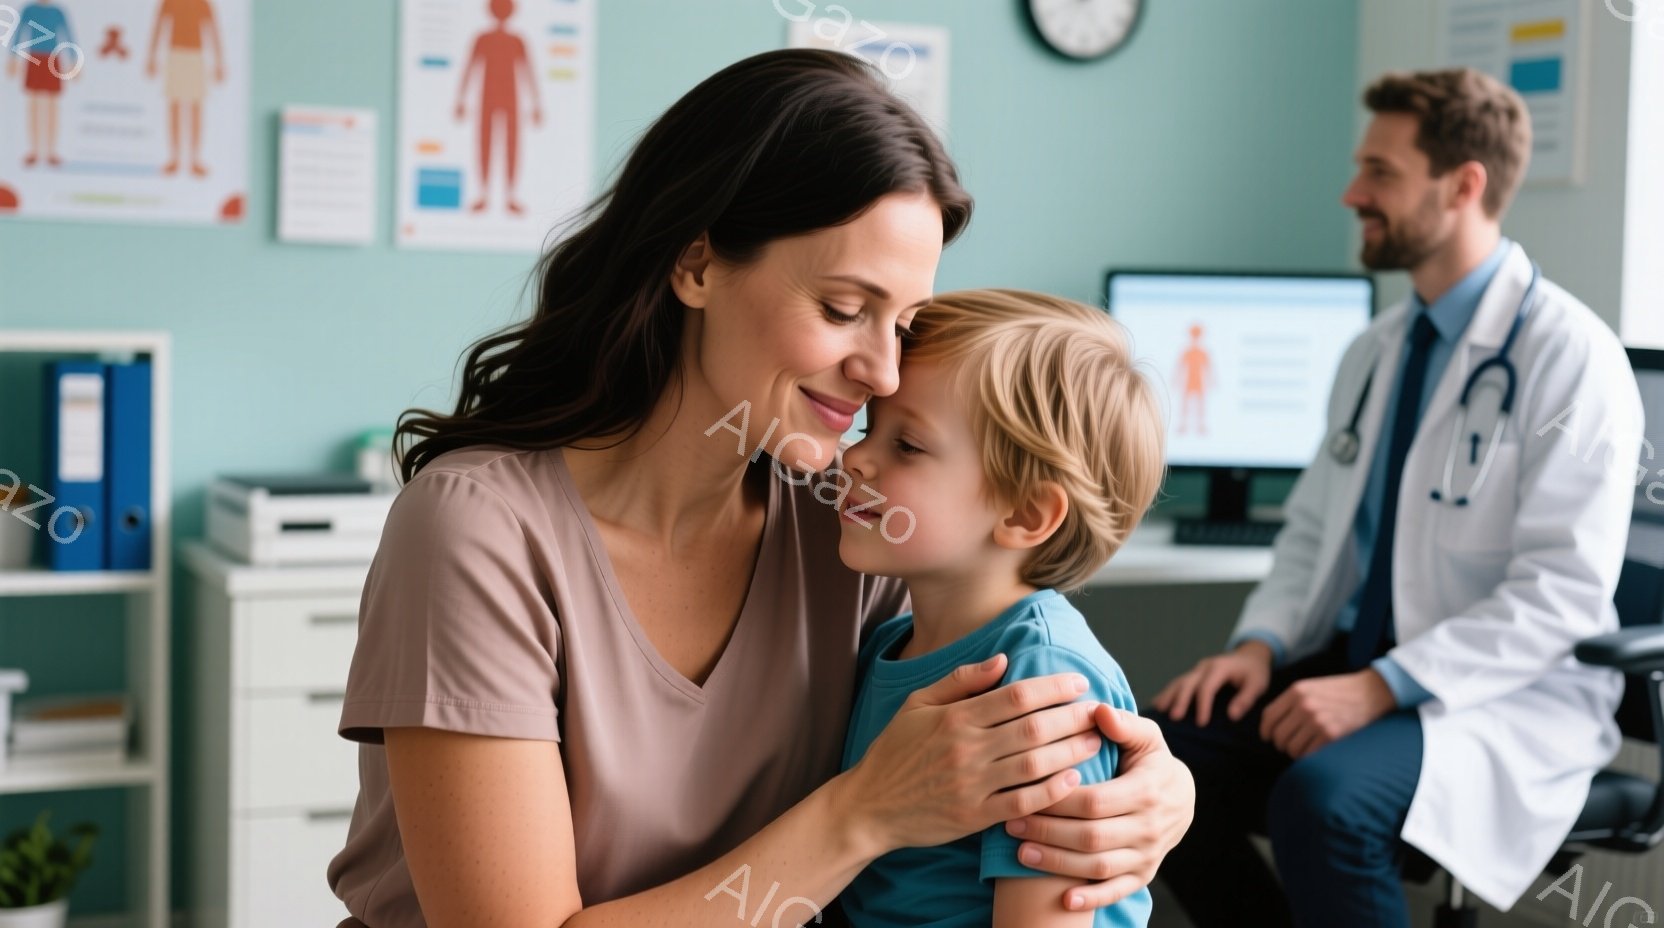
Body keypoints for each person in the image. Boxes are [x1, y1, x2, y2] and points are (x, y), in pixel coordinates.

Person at [327, 49, 1195, 928]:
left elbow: (1023, 684)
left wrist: (1155, 789)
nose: (882, 372)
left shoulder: (851, 531)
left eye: (901, 324)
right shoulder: (482, 530)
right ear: (697, 265)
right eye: (843, 309)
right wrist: (865, 813)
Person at [1148, 68, 1643, 927]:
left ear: (1464, 184)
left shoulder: (1572, 359)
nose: (1352, 193)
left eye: (1379, 172)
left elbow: (1561, 593)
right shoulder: (1375, 349)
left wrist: (1382, 686)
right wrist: (1261, 646)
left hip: (1497, 695)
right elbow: (1312, 532)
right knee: (1149, 755)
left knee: (1327, 803)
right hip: (1361, 662)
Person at [835, 289, 1162, 928]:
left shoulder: (1042, 681)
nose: (854, 457)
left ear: (1025, 514)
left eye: (907, 446)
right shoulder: (889, 643)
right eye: (869, 428)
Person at [454, 0, 541, 215]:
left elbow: (528, 71)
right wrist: (461, 100)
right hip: (488, 97)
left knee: (511, 146)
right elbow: (470, 67)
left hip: (511, 98)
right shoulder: (483, 39)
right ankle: (484, 195)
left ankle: (510, 196)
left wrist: (536, 104)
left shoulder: (517, 41)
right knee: (485, 144)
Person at [145, 0, 225, 178]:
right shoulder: (169, 2)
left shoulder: (203, 3)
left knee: (196, 107)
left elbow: (213, 31)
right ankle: (175, 158)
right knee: (175, 106)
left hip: (196, 55)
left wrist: (219, 62)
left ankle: (194, 159)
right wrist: (151, 57)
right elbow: (159, 26)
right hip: (175, 54)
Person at [5, 0, 77, 169]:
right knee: (34, 105)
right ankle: (35, 150)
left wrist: (74, 60)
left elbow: (68, 35)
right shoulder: (29, 9)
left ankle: (51, 151)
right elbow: (18, 34)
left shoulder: (58, 12)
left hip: (53, 59)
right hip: (34, 59)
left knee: (52, 106)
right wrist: (13, 59)